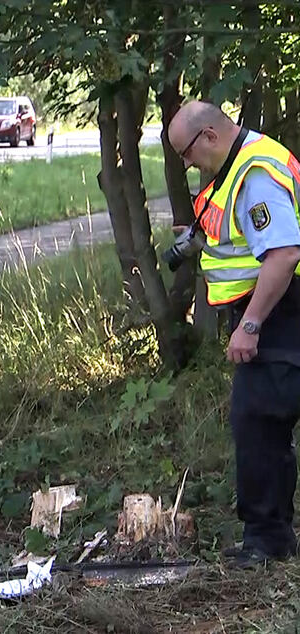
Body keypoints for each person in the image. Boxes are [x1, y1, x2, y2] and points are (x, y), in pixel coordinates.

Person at [168, 101, 300, 567]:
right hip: (277, 311)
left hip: (280, 314)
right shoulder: (242, 162)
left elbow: (283, 254)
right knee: (263, 424)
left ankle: (266, 544)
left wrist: (251, 324)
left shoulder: (254, 175)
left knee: (258, 423)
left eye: (185, 153)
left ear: (207, 136)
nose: (185, 164)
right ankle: (273, 538)